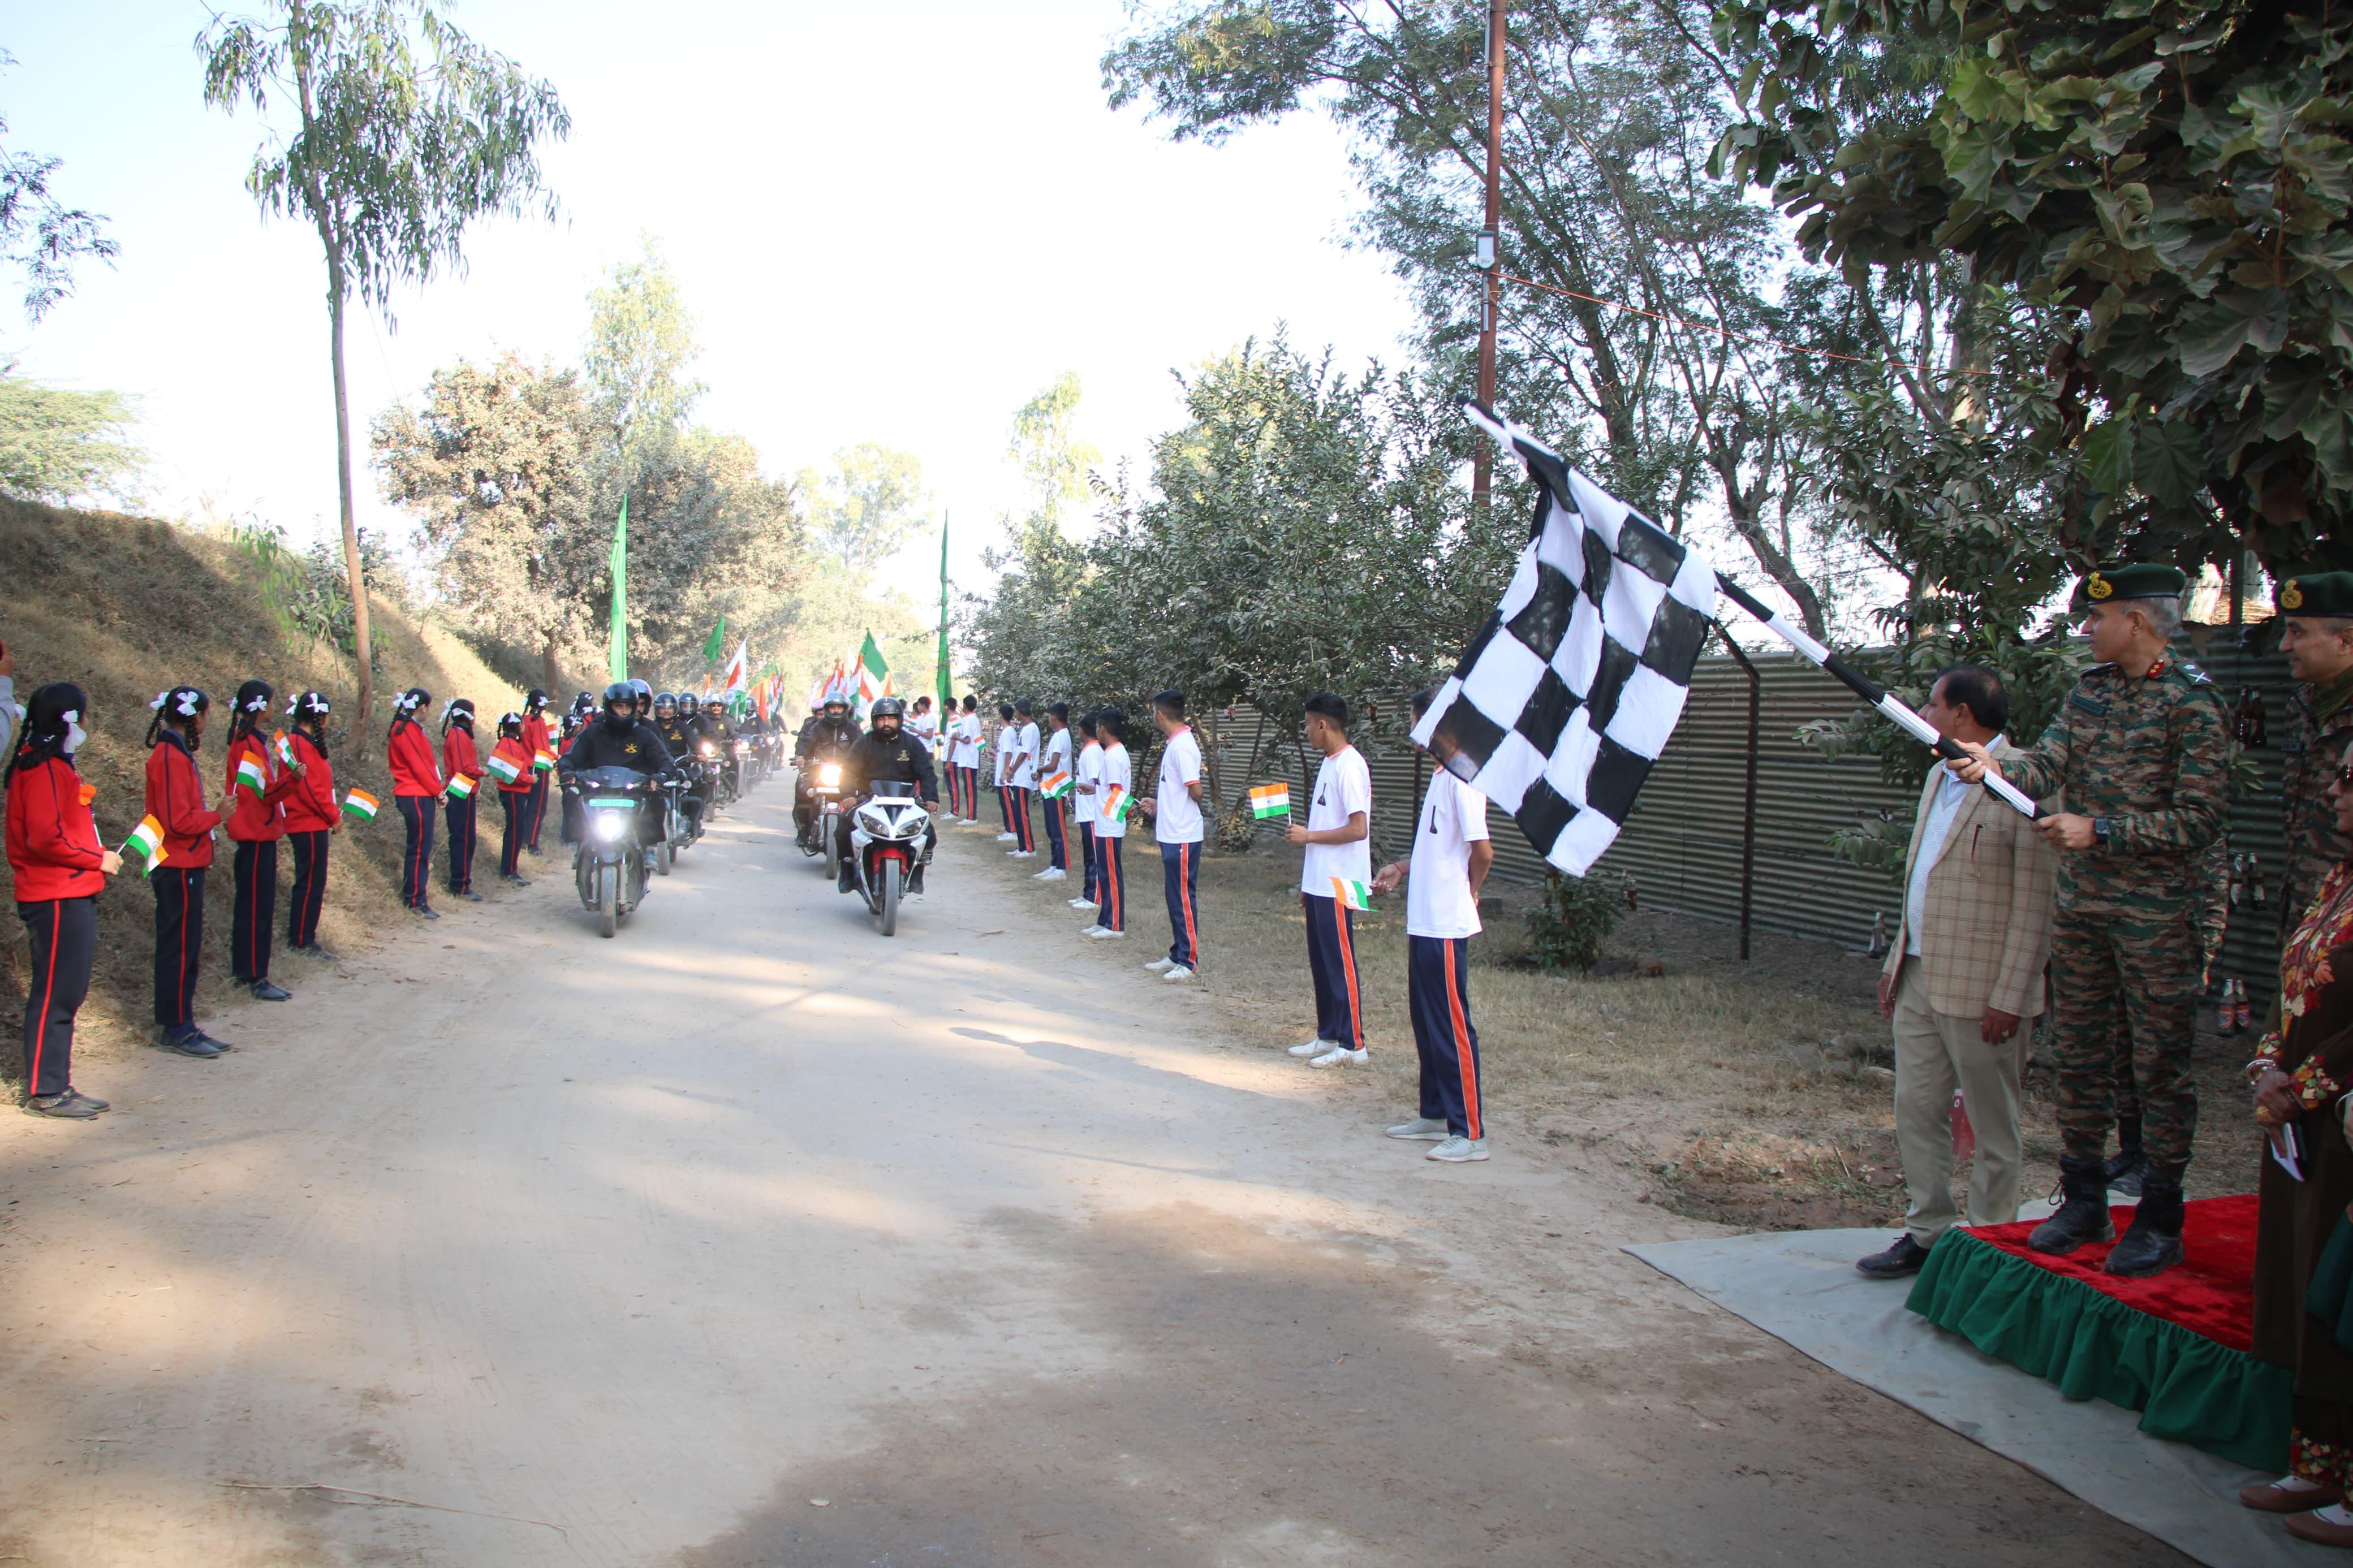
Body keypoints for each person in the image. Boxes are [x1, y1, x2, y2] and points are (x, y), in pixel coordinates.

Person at [1955, 563, 2230, 1278]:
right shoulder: (2088, 693)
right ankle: (2082, 1199)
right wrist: (1993, 767)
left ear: (2136, 621)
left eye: (2095, 618)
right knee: (2077, 1056)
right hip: (2081, 913)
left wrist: (2099, 831)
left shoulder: (2192, 703)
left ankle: (2159, 1216)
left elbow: (2200, 819)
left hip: (2157, 920)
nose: (2084, 630)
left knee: (2157, 1067)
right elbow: (2045, 765)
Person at [1855, 666, 2057, 1279]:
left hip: (1983, 989)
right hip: (1919, 975)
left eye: (1933, 704)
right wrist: (1896, 961)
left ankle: (1991, 1246)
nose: (1924, 711)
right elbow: (1922, 875)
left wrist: (2013, 992)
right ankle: (1928, 1233)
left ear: (1963, 715)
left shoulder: (2024, 781)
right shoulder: (1934, 776)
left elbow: (2035, 901)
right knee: (1916, 1107)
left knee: (1993, 1125)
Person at [2244, 737, 2353, 1541]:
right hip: (2297, 1122)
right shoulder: (2336, 881)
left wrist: (2306, 1088)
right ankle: (2315, 1466)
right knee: (2299, 1279)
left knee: (2341, 1293)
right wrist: (2266, 1068)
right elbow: (2293, 990)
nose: (2339, 793)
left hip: (2342, 1120)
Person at [1372, 685, 1496, 1162]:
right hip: (1423, 921)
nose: (1412, 731)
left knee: (1452, 1024)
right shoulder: (1442, 777)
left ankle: (1470, 1132)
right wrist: (1401, 868)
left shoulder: (1464, 779)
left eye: (1416, 721)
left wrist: (1471, 889)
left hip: (1446, 923)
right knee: (1425, 1021)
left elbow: (1482, 850)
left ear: (1438, 724)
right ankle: (1434, 1112)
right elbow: (1438, 847)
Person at [7, 682, 122, 1116]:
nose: (89, 724)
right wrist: (97, 859)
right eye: (85, 715)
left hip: (70, 890)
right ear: (69, 719)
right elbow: (44, 838)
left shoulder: (55, 767)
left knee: (68, 990)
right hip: (54, 894)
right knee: (56, 991)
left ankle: (58, 1082)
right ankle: (46, 1089)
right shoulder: (40, 772)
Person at [144, 685, 231, 1058]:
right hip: (176, 863)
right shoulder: (168, 757)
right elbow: (177, 819)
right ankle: (175, 1027)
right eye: (207, 714)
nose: (208, 722)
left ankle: (185, 1021)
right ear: (195, 717)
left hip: (189, 862)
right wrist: (218, 816)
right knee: (177, 947)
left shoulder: (178, 754)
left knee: (188, 946)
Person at [1287, 693, 1372, 1064]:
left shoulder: (1350, 766)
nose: (1307, 732)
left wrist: (1308, 837)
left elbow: (1358, 829)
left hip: (1343, 882)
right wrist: (1309, 883)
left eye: (1308, 724)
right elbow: (1325, 823)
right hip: (1321, 882)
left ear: (1323, 724)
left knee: (1341, 961)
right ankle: (1328, 1034)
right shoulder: (1329, 763)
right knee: (1322, 961)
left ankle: (1353, 1044)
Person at [2277, 573, 2353, 939]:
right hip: (2305, 915)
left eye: (2298, 632)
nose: (2284, 645)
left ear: (2346, 640)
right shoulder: (2302, 706)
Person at [222, 679, 304, 1001]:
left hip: (260, 832)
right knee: (255, 907)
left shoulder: (252, 741)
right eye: (271, 702)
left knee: (256, 905)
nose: (274, 707)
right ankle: (253, 975)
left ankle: (252, 971)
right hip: (254, 833)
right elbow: (263, 793)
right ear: (259, 707)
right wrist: (292, 781)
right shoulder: (247, 745)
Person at [833, 697, 939, 895]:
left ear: (900, 720)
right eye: (881, 719)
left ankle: (918, 872)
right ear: (875, 721)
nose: (887, 723)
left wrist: (931, 798)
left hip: (907, 800)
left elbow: (927, 772)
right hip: (869, 799)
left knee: (929, 834)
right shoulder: (864, 743)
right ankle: (847, 872)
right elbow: (848, 771)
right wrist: (848, 795)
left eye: (891, 718)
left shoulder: (913, 744)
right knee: (843, 828)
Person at [1135, 689, 1205, 980]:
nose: (1153, 716)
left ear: (1161, 714)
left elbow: (1196, 790)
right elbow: (1178, 791)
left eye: (1154, 712)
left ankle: (1188, 961)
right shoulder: (1175, 744)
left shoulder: (1183, 746)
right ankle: (1177, 952)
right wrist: (1160, 804)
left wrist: (1176, 805)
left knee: (1183, 898)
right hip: (1172, 832)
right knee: (1174, 897)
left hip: (1183, 835)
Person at [281, 690, 339, 960]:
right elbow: (311, 790)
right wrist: (333, 817)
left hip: (311, 821)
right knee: (310, 883)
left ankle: (304, 937)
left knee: (312, 881)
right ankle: (302, 940)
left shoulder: (301, 741)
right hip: (307, 823)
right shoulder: (300, 743)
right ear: (321, 718)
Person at [387, 687, 445, 920]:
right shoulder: (407, 731)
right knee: (419, 849)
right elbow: (419, 766)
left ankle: (418, 896)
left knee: (421, 848)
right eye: (428, 708)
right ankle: (415, 899)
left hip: (418, 794)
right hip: (415, 795)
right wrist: (438, 792)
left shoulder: (409, 729)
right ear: (422, 708)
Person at [1082, 709, 1132, 940]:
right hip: (1105, 824)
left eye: (1098, 729)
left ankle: (1115, 925)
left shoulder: (1113, 756)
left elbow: (1117, 791)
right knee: (1105, 873)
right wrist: (1092, 789)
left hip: (1110, 825)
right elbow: (1108, 788)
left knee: (1111, 875)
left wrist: (1124, 815)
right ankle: (1104, 919)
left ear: (1102, 729)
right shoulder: (1111, 753)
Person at [794, 696, 863, 842]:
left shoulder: (852, 727)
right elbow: (806, 744)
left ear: (845, 709)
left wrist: (862, 762)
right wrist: (801, 757)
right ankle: (804, 830)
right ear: (827, 709)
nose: (836, 711)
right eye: (833, 707)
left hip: (846, 772)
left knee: (862, 795)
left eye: (839, 708)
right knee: (802, 788)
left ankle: (857, 833)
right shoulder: (818, 727)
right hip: (819, 770)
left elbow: (861, 746)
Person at [439, 698, 484, 904]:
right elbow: (463, 768)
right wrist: (481, 772)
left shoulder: (460, 735)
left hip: (466, 791)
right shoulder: (457, 736)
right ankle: (459, 884)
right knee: (462, 838)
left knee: (468, 838)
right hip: (459, 791)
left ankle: (464, 881)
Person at [488, 712, 536, 885]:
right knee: (515, 832)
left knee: (515, 830)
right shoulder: (510, 746)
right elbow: (514, 774)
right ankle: (509, 871)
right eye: (522, 724)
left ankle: (510, 869)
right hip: (513, 792)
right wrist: (531, 779)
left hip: (513, 792)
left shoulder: (506, 743)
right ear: (518, 726)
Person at [1034, 702, 1074, 882]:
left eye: (1050, 717)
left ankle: (1061, 868)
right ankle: (1054, 864)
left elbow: (1053, 765)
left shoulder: (1061, 736)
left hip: (1057, 789)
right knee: (1051, 829)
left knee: (1058, 830)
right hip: (1049, 788)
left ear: (1054, 717)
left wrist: (1038, 769)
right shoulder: (1058, 735)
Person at [1071, 711, 1104, 913]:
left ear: (1082, 730)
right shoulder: (1089, 750)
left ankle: (1095, 896)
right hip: (1085, 811)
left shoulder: (1093, 752)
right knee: (1088, 855)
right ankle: (1088, 892)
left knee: (1094, 856)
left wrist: (1087, 791)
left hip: (1092, 814)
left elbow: (1096, 781)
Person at [1001, 698, 1038, 858]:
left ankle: (1029, 848)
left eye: (1017, 711)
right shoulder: (1025, 729)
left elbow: (1024, 753)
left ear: (1021, 712)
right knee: (1017, 812)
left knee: (1022, 812)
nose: (1016, 714)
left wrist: (1012, 771)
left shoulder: (1031, 729)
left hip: (1025, 776)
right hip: (1019, 776)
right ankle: (1022, 846)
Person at [520, 688, 554, 854]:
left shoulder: (524, 720)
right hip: (538, 768)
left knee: (526, 806)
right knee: (538, 806)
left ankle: (522, 840)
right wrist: (556, 757)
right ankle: (532, 843)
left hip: (523, 767)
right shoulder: (538, 722)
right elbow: (542, 748)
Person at [950, 694, 983, 823]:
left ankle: (971, 817)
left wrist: (957, 738)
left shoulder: (968, 720)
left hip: (968, 759)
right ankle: (971, 815)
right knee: (970, 788)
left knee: (970, 789)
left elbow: (968, 739)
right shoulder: (974, 719)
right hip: (971, 758)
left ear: (965, 706)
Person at [992, 702, 1018, 840]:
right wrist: (995, 754)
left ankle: (1012, 830)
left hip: (1005, 779)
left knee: (1008, 804)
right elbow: (1004, 753)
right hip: (1002, 774)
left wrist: (1005, 773)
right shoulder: (1007, 732)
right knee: (1004, 803)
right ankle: (1010, 829)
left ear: (1001, 715)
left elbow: (1009, 754)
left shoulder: (1008, 732)